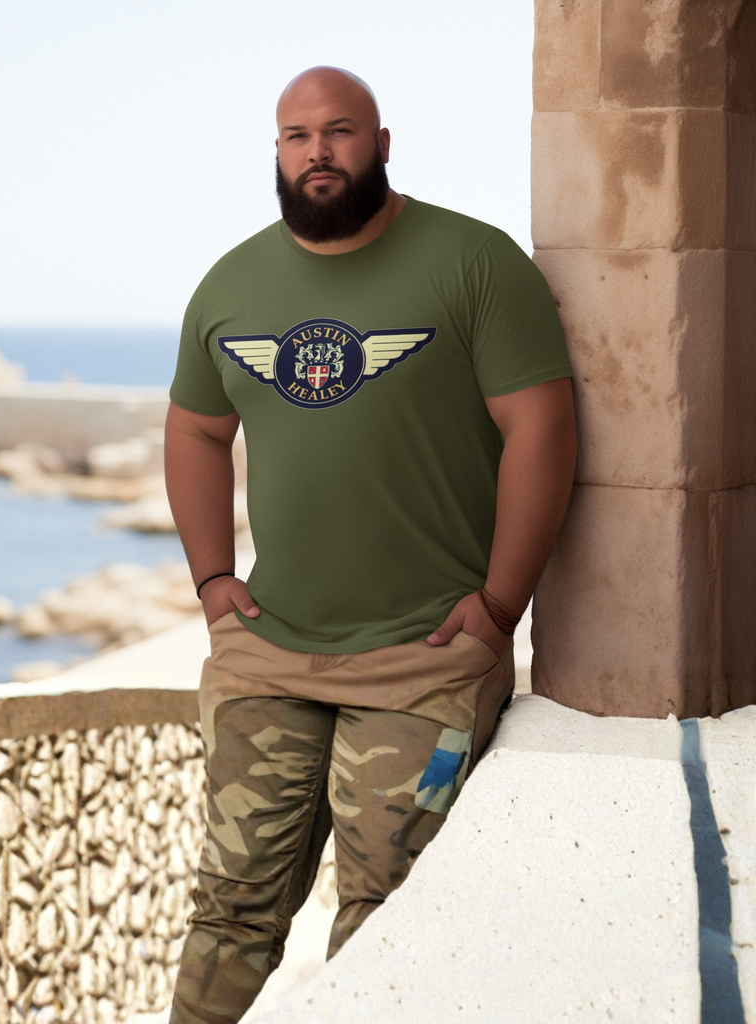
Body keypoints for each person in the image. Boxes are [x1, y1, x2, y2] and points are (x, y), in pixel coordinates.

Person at [163, 66, 576, 1024]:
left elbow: (544, 428)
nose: (318, 152)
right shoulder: (231, 284)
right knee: (230, 909)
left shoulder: (474, 262)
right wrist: (214, 577)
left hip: (422, 661)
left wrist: (500, 606)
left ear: (381, 144)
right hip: (269, 648)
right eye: (297, 136)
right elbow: (194, 430)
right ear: (277, 152)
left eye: (340, 131)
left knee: (389, 914)